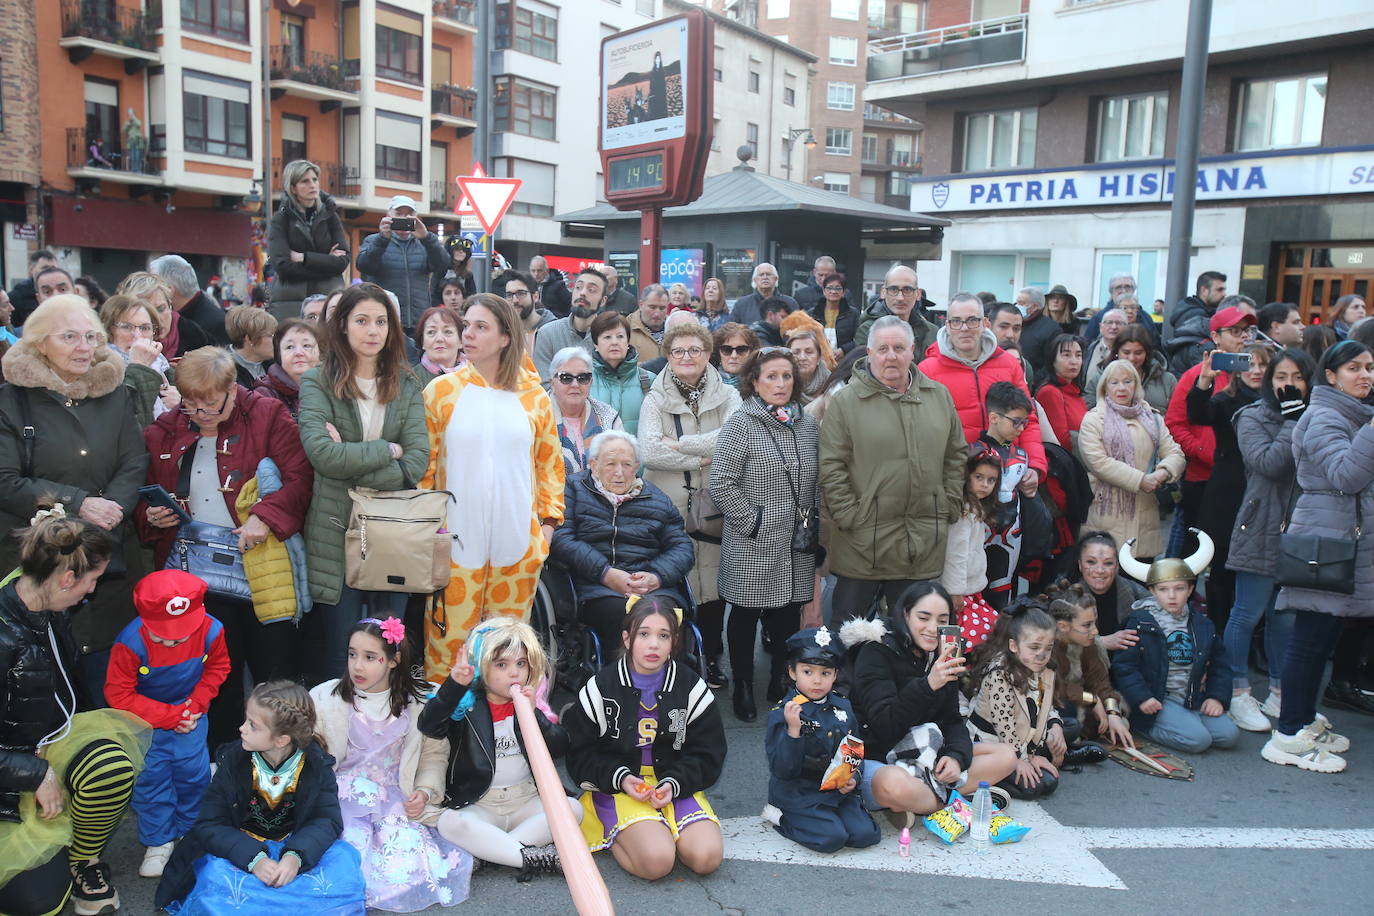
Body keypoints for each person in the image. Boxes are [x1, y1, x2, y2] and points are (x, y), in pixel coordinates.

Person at [141, 346, 313, 745]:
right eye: (191, 405)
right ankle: (221, 764)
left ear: (232, 388)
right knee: (214, 676)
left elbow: (300, 478)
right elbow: (144, 496)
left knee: (275, 671)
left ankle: (282, 762)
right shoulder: (165, 428)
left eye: (211, 404)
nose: (200, 414)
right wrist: (151, 517)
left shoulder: (267, 415)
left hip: (261, 566)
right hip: (195, 573)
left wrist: (264, 516)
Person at [0, 508, 149, 916]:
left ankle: (84, 858)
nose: (90, 593)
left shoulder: (48, 606)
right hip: (9, 773)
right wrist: (35, 773)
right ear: (66, 579)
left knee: (110, 765)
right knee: (35, 900)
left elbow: (67, 694)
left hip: (45, 744)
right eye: (90, 582)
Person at [0, 295, 149, 697]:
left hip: (108, 565)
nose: (84, 347)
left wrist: (113, 509)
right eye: (69, 337)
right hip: (39, 569)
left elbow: (134, 460)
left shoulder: (115, 394)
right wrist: (78, 504)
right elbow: (5, 480)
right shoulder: (11, 400)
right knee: (40, 690)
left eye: (90, 336)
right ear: (38, 343)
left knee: (108, 687)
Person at [422, 293, 564, 675]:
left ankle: (505, 727)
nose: (468, 334)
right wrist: (427, 529)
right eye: (466, 325)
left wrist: (547, 528)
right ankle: (444, 730)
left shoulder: (535, 398)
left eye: (480, 327)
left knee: (506, 651)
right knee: (449, 649)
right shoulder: (440, 392)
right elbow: (425, 467)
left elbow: (550, 466)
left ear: (505, 337)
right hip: (453, 544)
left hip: (517, 546)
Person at [299, 283, 428, 685]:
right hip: (336, 532)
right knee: (343, 655)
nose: (372, 331)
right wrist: (385, 450)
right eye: (361, 321)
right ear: (341, 326)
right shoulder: (316, 382)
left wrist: (353, 458)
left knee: (387, 650)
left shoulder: (407, 383)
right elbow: (323, 455)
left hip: (392, 533)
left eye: (381, 321)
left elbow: (416, 461)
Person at [154, 681, 365, 913]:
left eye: (252, 725)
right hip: (239, 849)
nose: (241, 729)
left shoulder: (316, 767)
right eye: (246, 720)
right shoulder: (233, 762)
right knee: (214, 876)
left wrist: (295, 857)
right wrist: (256, 860)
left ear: (281, 739)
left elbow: (326, 820)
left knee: (344, 862)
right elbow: (209, 824)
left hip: (294, 845)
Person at [1263, 340, 1374, 772]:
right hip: (1324, 543)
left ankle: (1304, 719)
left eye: (1369, 367)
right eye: (1354, 369)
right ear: (1331, 376)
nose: (1365, 375)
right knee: (1309, 642)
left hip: (1342, 541)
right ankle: (1288, 733)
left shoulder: (1353, 413)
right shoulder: (1326, 415)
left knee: (1323, 638)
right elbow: (1347, 476)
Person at [310, 617, 471, 909]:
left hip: (393, 795)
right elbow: (307, 753)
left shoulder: (419, 701)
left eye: (370, 657)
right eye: (352, 654)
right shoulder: (324, 698)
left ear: (393, 660)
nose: (357, 666)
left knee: (409, 864)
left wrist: (424, 791)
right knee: (343, 854)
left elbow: (434, 753)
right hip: (340, 796)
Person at [565, 596, 725, 880]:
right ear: (627, 639)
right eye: (644, 634)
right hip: (621, 785)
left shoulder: (690, 686)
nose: (654, 645)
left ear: (673, 642)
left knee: (707, 858)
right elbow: (580, 755)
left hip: (674, 781)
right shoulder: (600, 687)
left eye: (663, 635)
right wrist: (622, 779)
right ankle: (614, 828)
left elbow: (709, 752)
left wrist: (674, 784)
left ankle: (659, 826)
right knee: (657, 862)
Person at [821, 316, 966, 621]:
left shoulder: (937, 397)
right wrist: (849, 515)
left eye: (899, 347)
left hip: (922, 542)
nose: (891, 355)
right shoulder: (846, 402)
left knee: (911, 639)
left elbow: (955, 456)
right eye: (882, 348)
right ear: (869, 353)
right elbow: (832, 465)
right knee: (851, 638)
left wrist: (948, 504)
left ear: (913, 350)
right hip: (862, 544)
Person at [840, 582, 1017, 823]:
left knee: (1006, 755)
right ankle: (951, 803)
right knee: (892, 785)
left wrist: (955, 757)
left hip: (927, 754)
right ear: (905, 614)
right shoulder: (875, 651)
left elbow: (953, 721)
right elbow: (884, 726)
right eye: (924, 617)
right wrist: (929, 684)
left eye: (942, 620)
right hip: (880, 757)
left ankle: (917, 803)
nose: (933, 628)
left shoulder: (944, 654)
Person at [420, 617, 578, 881]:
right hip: (481, 803)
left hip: (525, 800)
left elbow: (560, 746)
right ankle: (529, 857)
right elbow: (429, 725)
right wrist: (453, 687)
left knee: (573, 810)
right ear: (482, 667)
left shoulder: (528, 704)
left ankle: (490, 852)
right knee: (449, 823)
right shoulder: (465, 707)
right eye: (501, 665)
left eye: (521, 664)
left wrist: (534, 715)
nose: (513, 673)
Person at [712, 348, 821, 719]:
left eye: (787, 376)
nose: (780, 384)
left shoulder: (807, 423)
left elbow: (817, 479)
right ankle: (743, 684)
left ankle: (780, 679)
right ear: (754, 381)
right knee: (744, 615)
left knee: (788, 615)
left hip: (797, 543)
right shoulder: (742, 422)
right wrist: (753, 522)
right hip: (753, 541)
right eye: (771, 376)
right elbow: (721, 482)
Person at [105, 570, 229, 879]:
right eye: (163, 633)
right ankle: (159, 841)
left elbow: (218, 667)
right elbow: (118, 693)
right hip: (143, 724)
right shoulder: (130, 643)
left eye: (183, 632)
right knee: (150, 780)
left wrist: (195, 705)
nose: (173, 640)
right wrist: (171, 717)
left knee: (194, 775)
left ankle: (191, 831)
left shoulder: (212, 630)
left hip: (192, 715)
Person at [638, 322, 740, 687]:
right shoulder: (654, 397)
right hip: (668, 507)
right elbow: (649, 451)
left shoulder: (728, 395)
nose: (686, 357)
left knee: (712, 587)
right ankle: (678, 660)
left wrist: (680, 444)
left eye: (694, 350)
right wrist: (701, 457)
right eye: (678, 351)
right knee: (676, 586)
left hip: (715, 506)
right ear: (668, 355)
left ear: (708, 354)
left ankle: (711, 656)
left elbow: (732, 439)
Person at [1221, 349, 1311, 732]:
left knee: (1285, 618)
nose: (1288, 384)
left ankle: (1279, 691)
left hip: (1302, 527)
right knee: (1247, 612)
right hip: (1260, 525)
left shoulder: (1317, 417)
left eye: (1297, 377)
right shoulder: (1250, 417)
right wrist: (1293, 421)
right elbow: (1270, 464)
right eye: (1280, 377)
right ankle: (1237, 691)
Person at [553, 428, 695, 655]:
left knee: (659, 616)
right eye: (610, 464)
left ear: (636, 467)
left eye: (627, 465)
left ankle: (670, 683)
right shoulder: (573, 489)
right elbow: (561, 540)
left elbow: (682, 547)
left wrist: (656, 577)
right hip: (597, 588)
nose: (619, 472)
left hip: (652, 588)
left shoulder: (657, 499)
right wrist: (606, 574)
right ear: (593, 463)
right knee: (627, 615)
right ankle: (621, 683)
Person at [1113, 532, 1239, 755]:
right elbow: (1125, 667)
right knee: (1199, 740)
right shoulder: (1140, 623)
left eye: (1179, 588)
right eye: (1163, 589)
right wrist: (1142, 698)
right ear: (1152, 591)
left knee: (1229, 735)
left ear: (1190, 590)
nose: (1172, 596)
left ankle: (1187, 721)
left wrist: (1215, 697)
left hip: (1192, 696)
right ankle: (1143, 727)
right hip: (1159, 698)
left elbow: (1221, 665)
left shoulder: (1202, 624)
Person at [763, 626, 880, 853]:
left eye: (825, 673)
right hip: (800, 793)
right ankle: (782, 817)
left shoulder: (842, 706)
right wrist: (793, 733)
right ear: (792, 672)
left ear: (835, 675)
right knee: (832, 839)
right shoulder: (784, 712)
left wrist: (854, 777)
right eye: (808, 672)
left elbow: (855, 748)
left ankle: (830, 817)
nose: (817, 681)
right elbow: (782, 769)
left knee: (867, 835)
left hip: (836, 791)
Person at [919, 293, 1048, 487]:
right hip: (954, 479)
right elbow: (922, 432)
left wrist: (1035, 465)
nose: (964, 328)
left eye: (972, 320)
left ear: (985, 323)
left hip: (1006, 476)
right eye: (956, 321)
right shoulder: (927, 370)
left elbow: (1027, 419)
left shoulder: (1008, 365)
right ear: (947, 324)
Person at [1187, 342, 1271, 633]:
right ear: (1237, 368)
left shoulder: (1279, 401)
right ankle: (1219, 632)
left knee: (1259, 570)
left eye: (1264, 365)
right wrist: (1205, 380)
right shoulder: (1225, 399)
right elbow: (1198, 414)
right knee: (1220, 567)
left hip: (1264, 493)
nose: (1257, 371)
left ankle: (1253, 636)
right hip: (1227, 494)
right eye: (1251, 364)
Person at [1163, 305, 1252, 554]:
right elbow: (1175, 424)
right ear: (1216, 337)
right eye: (1235, 331)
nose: (1244, 337)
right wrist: (1204, 451)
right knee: (1197, 549)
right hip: (1202, 478)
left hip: (1247, 477)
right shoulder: (1196, 375)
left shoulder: (1256, 376)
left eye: (1247, 331)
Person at [1078, 360, 1185, 560]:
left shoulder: (1152, 418)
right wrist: (1141, 480)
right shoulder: (1093, 419)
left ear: (1136, 385)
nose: (1121, 388)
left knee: (1140, 584)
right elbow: (1098, 462)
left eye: (1128, 382)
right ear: (1104, 387)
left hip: (1145, 514)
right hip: (1105, 514)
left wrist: (1163, 472)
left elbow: (1175, 453)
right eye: (1114, 382)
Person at [967, 604, 1065, 800]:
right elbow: (1004, 725)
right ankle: (987, 781)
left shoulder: (1041, 669)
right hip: (991, 746)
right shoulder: (999, 674)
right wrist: (1021, 759)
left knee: (1048, 782)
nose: (1042, 655)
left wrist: (1035, 752)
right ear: (1013, 646)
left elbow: (1043, 708)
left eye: (1048, 648)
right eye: (1034, 647)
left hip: (1023, 740)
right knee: (1033, 788)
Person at [1046, 581, 1135, 750]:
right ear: (1063, 626)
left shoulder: (1088, 642)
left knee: (1118, 718)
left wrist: (1112, 713)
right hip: (1050, 704)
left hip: (1079, 697)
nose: (1095, 631)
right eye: (1087, 625)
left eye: (1094, 623)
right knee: (1068, 713)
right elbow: (1053, 688)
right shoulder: (1046, 646)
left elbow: (1100, 681)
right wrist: (1091, 700)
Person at [266, 159, 349, 321]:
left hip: (328, 299)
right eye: (305, 181)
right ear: (293, 188)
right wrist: (326, 261)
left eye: (315, 180)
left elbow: (342, 261)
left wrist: (304, 258)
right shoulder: (280, 219)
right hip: (289, 304)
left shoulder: (330, 216)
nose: (313, 185)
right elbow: (282, 266)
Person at [356, 195, 449, 332]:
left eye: (409, 214)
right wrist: (382, 240)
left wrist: (427, 238)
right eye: (399, 214)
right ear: (388, 216)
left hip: (419, 320)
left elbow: (442, 265)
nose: (404, 218)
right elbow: (364, 266)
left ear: (417, 217)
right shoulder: (374, 240)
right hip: (386, 318)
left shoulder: (425, 242)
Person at [942, 450, 1000, 651]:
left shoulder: (975, 510)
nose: (985, 484)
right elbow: (955, 554)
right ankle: (952, 675)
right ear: (966, 476)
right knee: (957, 638)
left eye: (991, 480)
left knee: (971, 635)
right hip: (958, 592)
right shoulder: (964, 513)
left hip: (969, 590)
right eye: (979, 477)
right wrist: (955, 591)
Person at [100, 292, 179, 426]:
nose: (137, 336)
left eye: (145, 328)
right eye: (126, 327)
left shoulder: (164, 368)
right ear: (108, 331)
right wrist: (139, 367)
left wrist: (181, 403)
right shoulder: (100, 371)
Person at [548, 346, 623, 475]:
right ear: (552, 383)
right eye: (566, 378)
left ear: (591, 382)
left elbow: (622, 462)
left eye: (583, 378)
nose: (575, 384)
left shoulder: (608, 416)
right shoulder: (536, 417)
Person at [1073, 531, 1147, 651]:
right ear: (1080, 565)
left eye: (1108, 563)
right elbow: (1055, 639)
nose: (1100, 570)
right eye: (1091, 562)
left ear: (1117, 566)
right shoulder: (1066, 598)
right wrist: (1101, 642)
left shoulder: (1138, 594)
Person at [531, 267, 609, 380]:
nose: (582, 293)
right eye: (578, 287)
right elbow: (544, 383)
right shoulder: (547, 333)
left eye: (591, 290)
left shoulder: (610, 336)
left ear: (603, 301)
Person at [588, 310, 654, 435]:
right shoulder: (584, 380)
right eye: (607, 337)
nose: (614, 342)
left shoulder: (648, 380)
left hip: (638, 453)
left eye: (620, 336)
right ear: (595, 344)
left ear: (628, 342)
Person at [117, 270, 209, 359]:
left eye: (161, 309)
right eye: (147, 312)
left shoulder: (193, 335)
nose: (157, 318)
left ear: (170, 305)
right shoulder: (119, 344)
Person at [1087, 323, 1176, 411]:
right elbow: (1087, 411)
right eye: (1126, 352)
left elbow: (1176, 415)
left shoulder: (1167, 380)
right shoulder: (1099, 380)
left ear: (1147, 353)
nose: (1132, 358)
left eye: (1138, 353)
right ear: (1117, 352)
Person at [854, 265, 937, 354]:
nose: (900, 298)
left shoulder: (931, 332)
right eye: (893, 289)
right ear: (883, 292)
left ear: (918, 294)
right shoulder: (868, 330)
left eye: (907, 289)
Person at [150, 254, 230, 347]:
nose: (149, 288)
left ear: (169, 290)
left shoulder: (211, 325)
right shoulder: (198, 312)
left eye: (153, 284)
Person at [253, 317, 322, 419]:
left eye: (306, 345)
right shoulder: (265, 395)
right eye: (290, 347)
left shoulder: (335, 387)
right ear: (279, 354)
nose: (299, 352)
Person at [1166, 270, 1228, 374]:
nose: (1224, 294)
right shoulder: (1194, 316)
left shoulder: (1197, 311)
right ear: (1204, 290)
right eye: (1219, 290)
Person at [1035, 333, 1087, 449]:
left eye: (1078, 355)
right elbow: (1061, 441)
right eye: (1066, 355)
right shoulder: (1049, 392)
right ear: (1052, 360)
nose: (1074, 361)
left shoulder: (1074, 390)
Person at [500, 268, 555, 352]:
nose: (515, 300)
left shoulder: (554, 330)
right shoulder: (503, 331)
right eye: (509, 295)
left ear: (535, 296)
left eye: (521, 293)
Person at [225, 304, 277, 389]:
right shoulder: (224, 372)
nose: (277, 340)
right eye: (271, 335)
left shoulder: (275, 365)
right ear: (250, 339)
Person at [730, 262, 799, 326]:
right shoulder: (742, 304)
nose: (765, 277)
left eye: (768, 274)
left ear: (776, 279)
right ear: (755, 280)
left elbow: (799, 330)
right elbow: (731, 331)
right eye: (761, 275)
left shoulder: (790, 303)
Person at [807, 271, 858, 354]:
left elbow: (858, 340)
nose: (833, 291)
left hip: (844, 360)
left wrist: (843, 350)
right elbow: (807, 338)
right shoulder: (812, 313)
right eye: (829, 288)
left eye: (838, 288)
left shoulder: (853, 314)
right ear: (824, 291)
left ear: (843, 292)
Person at [412, 305, 463, 386]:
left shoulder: (477, 377)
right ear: (423, 342)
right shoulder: (410, 381)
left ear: (461, 341)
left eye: (447, 332)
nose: (439, 339)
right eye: (431, 332)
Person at [8, 249, 59, 328]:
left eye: (53, 268)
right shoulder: (15, 297)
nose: (50, 272)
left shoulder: (62, 295)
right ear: (31, 269)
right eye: (45, 268)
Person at [1084, 308, 1127, 391]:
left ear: (1127, 327)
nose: (1114, 327)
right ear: (1101, 326)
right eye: (1109, 322)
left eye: (1118, 323)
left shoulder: (1131, 353)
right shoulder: (1087, 349)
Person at [431, 235, 478, 308]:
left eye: (464, 250)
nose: (461, 252)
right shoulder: (441, 270)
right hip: (443, 310)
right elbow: (433, 293)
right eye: (457, 249)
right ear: (450, 251)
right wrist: (441, 308)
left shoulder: (468, 275)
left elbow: (472, 295)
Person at [787, 326, 831, 403]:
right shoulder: (782, 385)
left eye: (809, 352)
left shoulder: (832, 385)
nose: (802, 358)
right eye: (796, 353)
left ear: (819, 358)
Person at [626, 283, 669, 363]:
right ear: (641, 305)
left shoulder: (674, 328)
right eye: (652, 307)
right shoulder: (625, 328)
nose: (657, 313)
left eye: (662, 308)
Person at [712, 321, 759, 387]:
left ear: (751, 352)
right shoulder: (705, 385)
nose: (734, 356)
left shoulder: (761, 385)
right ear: (718, 352)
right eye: (726, 349)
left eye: (742, 349)